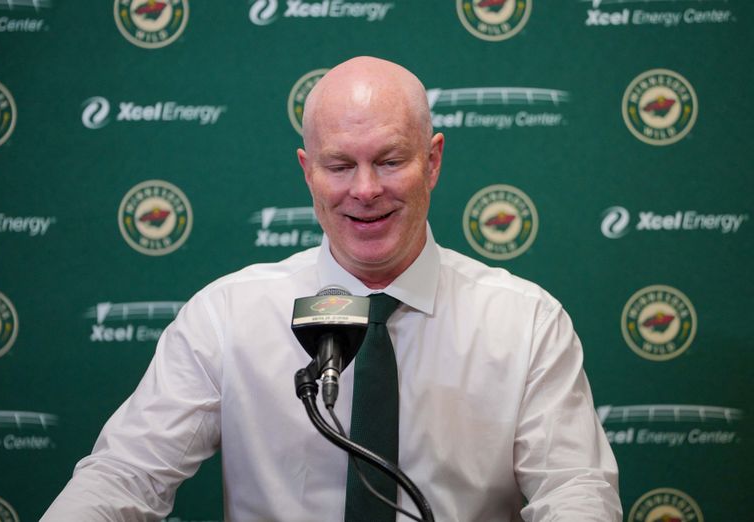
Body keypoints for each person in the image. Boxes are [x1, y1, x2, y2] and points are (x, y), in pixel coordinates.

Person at [43, 56, 622, 521]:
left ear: (434, 160)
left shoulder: (527, 321)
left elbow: (574, 492)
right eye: (339, 165)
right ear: (306, 171)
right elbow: (126, 476)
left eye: (391, 160)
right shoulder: (228, 314)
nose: (365, 190)